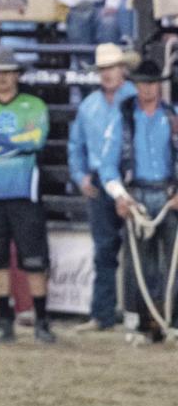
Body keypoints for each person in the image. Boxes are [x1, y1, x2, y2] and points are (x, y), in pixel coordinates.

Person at [0, 46, 54, 344]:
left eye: (7, 72)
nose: (2, 78)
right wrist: (17, 142)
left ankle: (41, 320)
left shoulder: (34, 105)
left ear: (17, 75)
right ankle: (5, 320)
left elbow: (37, 140)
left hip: (24, 192)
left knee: (34, 259)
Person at [98, 59, 178, 344]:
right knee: (139, 264)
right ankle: (139, 323)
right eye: (144, 83)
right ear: (136, 85)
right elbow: (107, 165)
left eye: (153, 83)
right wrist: (121, 195)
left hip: (168, 195)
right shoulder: (123, 119)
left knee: (173, 262)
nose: (149, 88)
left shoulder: (172, 117)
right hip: (138, 195)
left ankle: (170, 321)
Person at [68, 44, 136, 333]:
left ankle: (137, 312)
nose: (107, 74)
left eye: (111, 68)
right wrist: (80, 175)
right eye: (104, 69)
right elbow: (76, 145)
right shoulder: (89, 106)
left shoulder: (134, 97)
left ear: (122, 69)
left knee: (138, 249)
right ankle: (104, 313)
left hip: (132, 176)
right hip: (100, 179)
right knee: (105, 249)